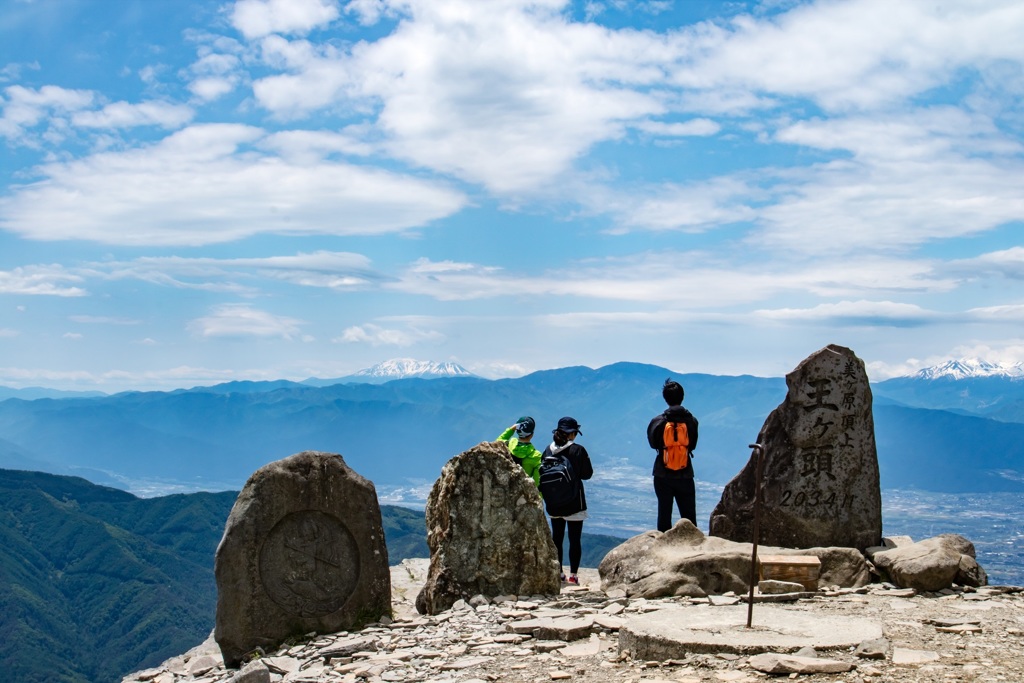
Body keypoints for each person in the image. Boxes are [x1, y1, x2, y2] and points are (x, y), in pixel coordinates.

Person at [541, 416, 593, 585]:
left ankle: (559, 573)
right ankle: (574, 575)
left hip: (554, 503)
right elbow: (587, 474)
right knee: (574, 539)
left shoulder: (547, 451)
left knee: (557, 538)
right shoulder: (578, 450)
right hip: (574, 502)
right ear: (572, 434)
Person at [647, 378, 700, 532]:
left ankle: (664, 548)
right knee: (689, 516)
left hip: (662, 472)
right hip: (685, 473)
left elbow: (653, 444)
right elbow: (693, 445)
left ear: (665, 398)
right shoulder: (691, 421)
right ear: (682, 397)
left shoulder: (658, 421)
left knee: (664, 513)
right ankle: (692, 548)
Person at [496, 416, 542, 486]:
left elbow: (497, 443)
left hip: (503, 486)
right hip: (520, 492)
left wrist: (511, 429)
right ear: (531, 434)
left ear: (517, 430)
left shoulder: (507, 444)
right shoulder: (536, 456)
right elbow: (538, 482)